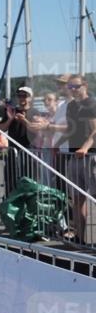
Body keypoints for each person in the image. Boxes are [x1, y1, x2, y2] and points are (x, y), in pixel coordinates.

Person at [59, 75, 96, 242]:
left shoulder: (91, 103)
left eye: (76, 86)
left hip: (91, 156)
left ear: (84, 85)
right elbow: (70, 129)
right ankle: (80, 237)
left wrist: (86, 147)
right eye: (70, 87)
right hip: (74, 155)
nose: (73, 90)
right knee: (77, 198)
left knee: (94, 196)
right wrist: (56, 144)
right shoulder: (71, 106)